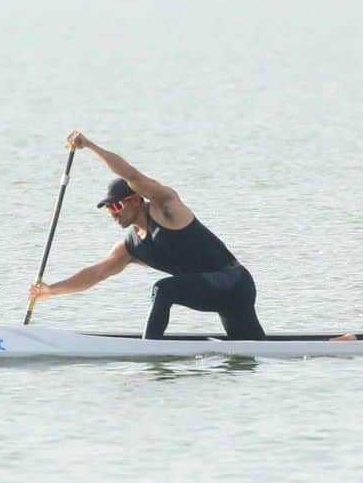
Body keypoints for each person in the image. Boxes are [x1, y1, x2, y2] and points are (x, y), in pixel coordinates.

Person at [27, 131, 265, 340]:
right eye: (109, 209)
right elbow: (96, 273)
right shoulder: (130, 246)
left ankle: (149, 350)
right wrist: (51, 290)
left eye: (117, 206)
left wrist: (89, 145)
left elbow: (133, 175)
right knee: (253, 347)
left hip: (234, 282)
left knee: (163, 289)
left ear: (136, 200)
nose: (113, 214)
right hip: (220, 292)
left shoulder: (166, 208)